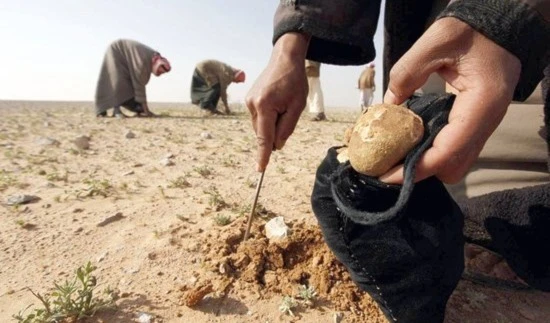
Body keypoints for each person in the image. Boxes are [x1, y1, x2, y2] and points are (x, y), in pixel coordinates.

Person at [245, 1, 549, 322]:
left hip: (527, 59)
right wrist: (292, 41)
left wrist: (504, 17)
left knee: (519, 235)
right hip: (430, 42)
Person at [95, 39, 171, 118]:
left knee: (128, 86)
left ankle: (135, 109)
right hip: (117, 51)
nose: (160, 74)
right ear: (157, 64)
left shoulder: (152, 58)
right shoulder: (143, 63)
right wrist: (147, 111)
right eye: (160, 71)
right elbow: (140, 87)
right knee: (118, 81)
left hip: (125, 57)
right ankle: (116, 111)